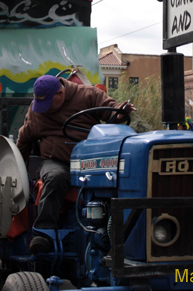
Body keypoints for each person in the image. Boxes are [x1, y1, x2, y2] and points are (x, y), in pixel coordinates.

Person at [16, 75, 134, 253]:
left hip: (91, 161)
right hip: (57, 161)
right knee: (55, 177)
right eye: (41, 104)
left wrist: (119, 112)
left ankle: (125, 231)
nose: (44, 109)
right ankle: (44, 232)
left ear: (60, 93)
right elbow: (24, 140)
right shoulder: (36, 111)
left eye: (48, 103)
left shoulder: (88, 95)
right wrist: (16, 168)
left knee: (121, 178)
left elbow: (111, 109)